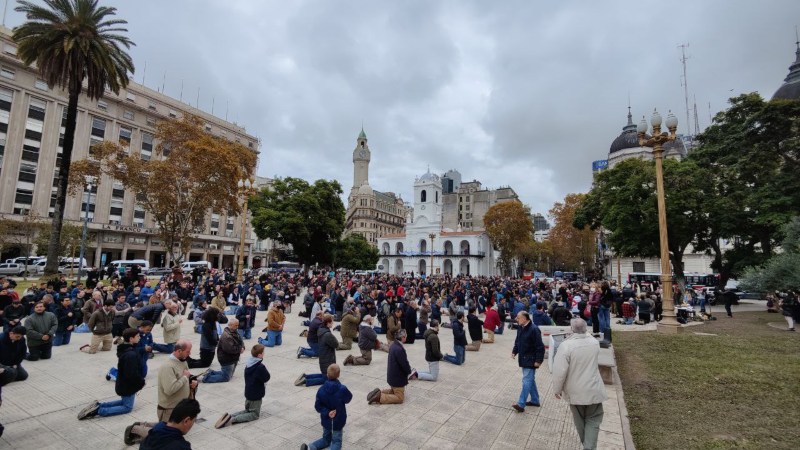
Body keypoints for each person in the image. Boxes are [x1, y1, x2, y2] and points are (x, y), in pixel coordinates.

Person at [125, 339, 199, 445]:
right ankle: (135, 430)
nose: (189, 354)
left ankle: (142, 424)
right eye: (188, 351)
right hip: (169, 408)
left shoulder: (183, 361)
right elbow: (170, 389)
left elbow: (184, 379)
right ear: (179, 351)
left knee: (169, 430)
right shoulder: (167, 367)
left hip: (179, 406)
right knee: (165, 435)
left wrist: (191, 384)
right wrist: (184, 378)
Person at [552, 318, 608, 450]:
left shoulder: (566, 346)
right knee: (593, 420)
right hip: (594, 388)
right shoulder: (594, 342)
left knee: (580, 422)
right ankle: (589, 446)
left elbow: (560, 371)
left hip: (576, 390)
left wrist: (557, 389)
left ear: (571, 329)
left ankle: (588, 446)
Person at [77, 328, 146, 419]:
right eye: (137, 336)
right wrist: (141, 382)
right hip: (128, 385)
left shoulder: (126, 350)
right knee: (127, 407)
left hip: (123, 383)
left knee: (124, 402)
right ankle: (98, 410)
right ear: (131, 339)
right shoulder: (130, 355)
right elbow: (131, 374)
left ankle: (99, 405)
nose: (139, 337)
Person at [215, 344, 271, 428]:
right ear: (259, 355)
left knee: (247, 410)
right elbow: (267, 377)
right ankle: (232, 420)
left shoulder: (248, 364)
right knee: (254, 414)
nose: (264, 354)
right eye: (263, 353)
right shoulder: (260, 367)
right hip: (256, 396)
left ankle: (230, 415)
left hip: (248, 394)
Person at [301, 364, 352, 450]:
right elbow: (348, 398)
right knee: (336, 442)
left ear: (327, 375)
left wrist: (327, 412)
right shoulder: (342, 389)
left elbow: (317, 406)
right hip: (338, 420)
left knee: (326, 439)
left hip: (326, 419)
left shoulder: (321, 389)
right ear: (339, 375)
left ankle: (309, 448)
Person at [511, 311, 545, 412]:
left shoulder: (534, 329)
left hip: (531, 360)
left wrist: (538, 360)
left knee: (526, 380)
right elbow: (518, 341)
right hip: (523, 358)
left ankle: (521, 404)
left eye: (518, 318)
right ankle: (535, 400)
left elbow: (540, 347)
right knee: (530, 380)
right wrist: (514, 351)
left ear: (525, 319)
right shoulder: (521, 327)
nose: (516, 320)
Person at [367, 329, 411, 405]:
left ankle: (380, 392)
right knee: (400, 398)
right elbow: (404, 364)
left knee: (394, 391)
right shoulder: (399, 349)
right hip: (397, 380)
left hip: (392, 378)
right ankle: (379, 397)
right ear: (403, 337)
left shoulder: (394, 345)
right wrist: (409, 371)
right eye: (406, 336)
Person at [295, 314, 338, 387]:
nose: (333, 323)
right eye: (332, 322)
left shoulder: (321, 329)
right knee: (326, 379)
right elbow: (336, 344)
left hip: (323, 357)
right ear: (328, 323)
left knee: (324, 375)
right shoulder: (327, 334)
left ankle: (306, 376)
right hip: (328, 359)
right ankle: (306, 381)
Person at [202, 318, 245, 383]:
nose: (237, 327)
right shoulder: (226, 336)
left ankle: (210, 372)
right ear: (230, 325)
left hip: (233, 358)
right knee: (226, 377)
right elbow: (230, 349)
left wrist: (243, 347)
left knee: (228, 374)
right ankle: (207, 378)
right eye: (236, 325)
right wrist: (239, 349)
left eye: (237, 325)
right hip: (227, 359)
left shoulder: (234, 331)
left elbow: (241, 341)